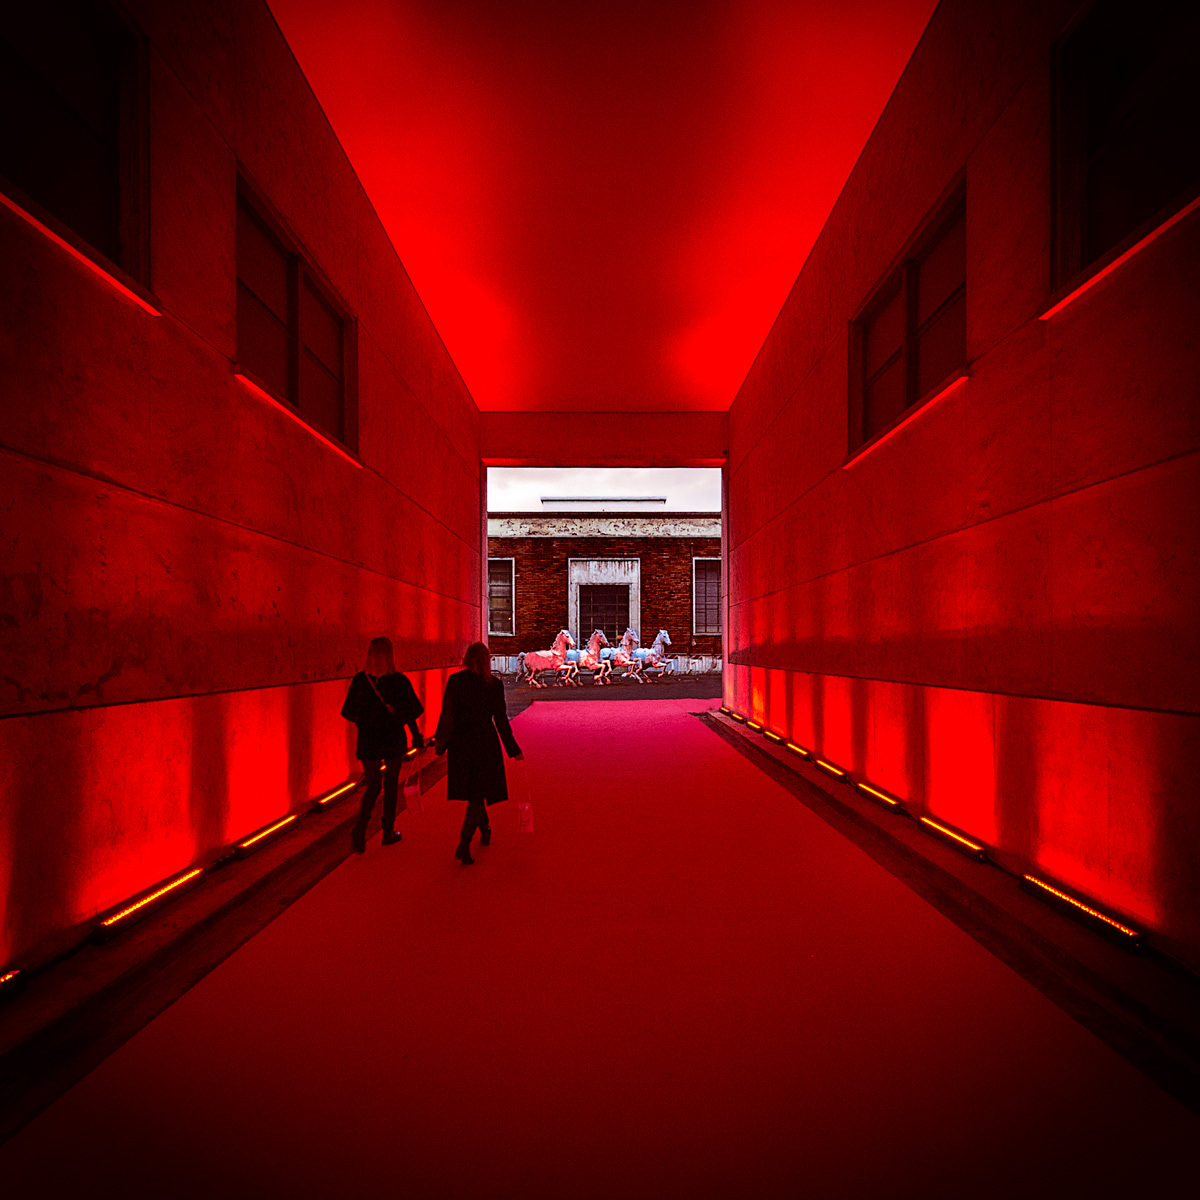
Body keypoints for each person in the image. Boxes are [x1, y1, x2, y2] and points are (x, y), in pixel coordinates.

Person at [435, 642, 523, 865]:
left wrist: (441, 742)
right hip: (484, 742)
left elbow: (447, 713)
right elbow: (501, 720)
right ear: (486, 660)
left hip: (461, 742)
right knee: (479, 791)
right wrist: (513, 749)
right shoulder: (493, 684)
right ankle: (464, 842)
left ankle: (485, 829)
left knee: (475, 790)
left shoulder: (455, 682)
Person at [341, 636, 424, 854]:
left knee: (373, 786)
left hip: (368, 740)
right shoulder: (398, 681)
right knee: (390, 786)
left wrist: (366, 720)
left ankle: (360, 830)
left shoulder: (360, 681)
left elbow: (348, 711)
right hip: (392, 739)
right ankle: (388, 831)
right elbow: (410, 712)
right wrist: (416, 736)